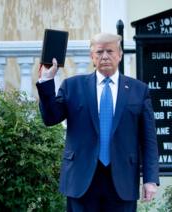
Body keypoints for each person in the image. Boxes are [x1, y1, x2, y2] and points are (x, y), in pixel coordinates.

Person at [36, 32, 160, 212]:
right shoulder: (72, 86)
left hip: (122, 180)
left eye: (110, 51)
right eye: (100, 52)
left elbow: (148, 139)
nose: (105, 56)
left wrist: (150, 179)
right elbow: (50, 118)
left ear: (120, 55)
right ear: (92, 56)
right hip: (81, 179)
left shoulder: (138, 90)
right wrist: (47, 81)